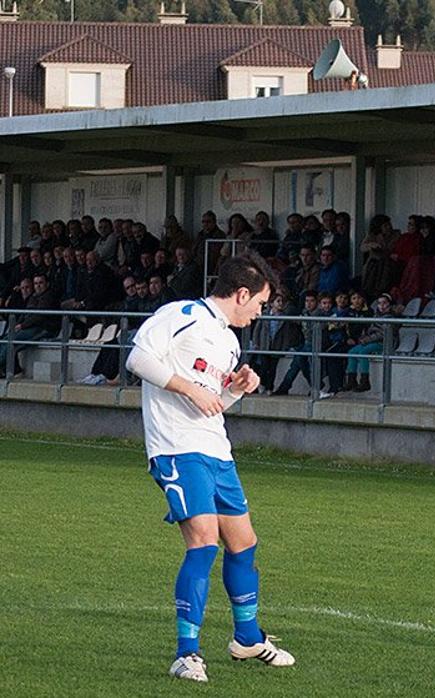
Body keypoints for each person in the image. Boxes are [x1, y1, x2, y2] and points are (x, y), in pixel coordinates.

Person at [124, 251, 295, 683]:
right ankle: (186, 654)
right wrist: (189, 390)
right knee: (203, 540)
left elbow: (213, 402)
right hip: (177, 448)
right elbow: (138, 360)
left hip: (216, 449)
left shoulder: (229, 341)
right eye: (259, 303)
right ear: (241, 293)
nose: (259, 312)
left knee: (244, 542)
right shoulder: (178, 314)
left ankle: (248, 638)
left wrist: (237, 388)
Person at [0, 274, 59, 377]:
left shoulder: (48, 296)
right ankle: (13, 369)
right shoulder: (33, 296)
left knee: (10, 341)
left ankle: (10, 369)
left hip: (43, 328)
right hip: (29, 327)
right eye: (36, 283)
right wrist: (18, 324)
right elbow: (25, 313)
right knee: (3, 339)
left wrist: (22, 325)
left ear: (47, 284)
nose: (38, 286)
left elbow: (39, 316)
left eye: (41, 283)